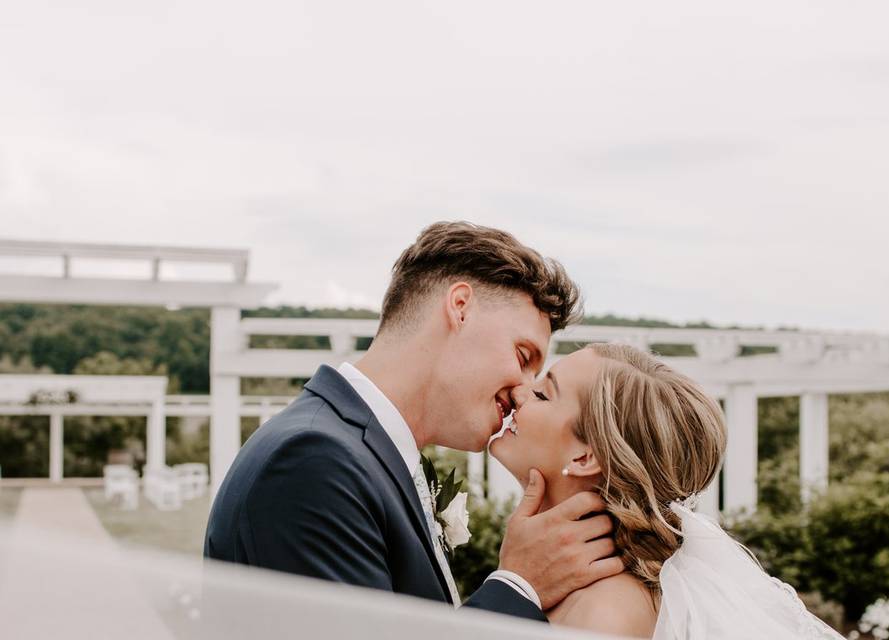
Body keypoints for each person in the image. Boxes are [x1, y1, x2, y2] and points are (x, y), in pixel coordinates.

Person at [204, 221, 624, 622]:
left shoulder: (358, 453)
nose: (521, 392)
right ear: (461, 308)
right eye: (522, 356)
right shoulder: (311, 462)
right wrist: (520, 584)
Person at [491, 343, 846, 639]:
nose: (520, 392)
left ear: (586, 456)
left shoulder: (605, 614)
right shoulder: (569, 584)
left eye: (542, 393)